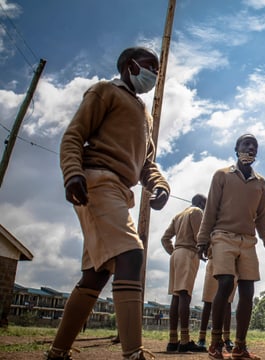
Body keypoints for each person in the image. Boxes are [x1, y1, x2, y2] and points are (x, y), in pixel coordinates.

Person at [49, 46, 170, 360]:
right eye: (150, 67)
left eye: (158, 70)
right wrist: (72, 173)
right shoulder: (104, 92)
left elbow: (147, 163)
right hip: (98, 181)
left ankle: (57, 351)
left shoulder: (144, 112)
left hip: (120, 191)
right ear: (130, 66)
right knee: (131, 254)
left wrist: (159, 186)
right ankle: (133, 353)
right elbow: (74, 135)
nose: (154, 74)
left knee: (96, 273)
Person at [196, 133, 265, 360]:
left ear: (257, 152)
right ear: (236, 148)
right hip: (222, 236)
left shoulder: (260, 183)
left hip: (247, 240)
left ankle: (240, 347)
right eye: (246, 143)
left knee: (248, 291)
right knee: (224, 283)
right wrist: (203, 239)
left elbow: (262, 218)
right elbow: (211, 208)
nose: (250, 147)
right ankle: (215, 343)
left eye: (254, 145)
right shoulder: (222, 175)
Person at [161, 194, 208, 353]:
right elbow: (199, 236)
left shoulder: (178, 215)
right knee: (184, 295)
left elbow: (165, 238)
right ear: (201, 203)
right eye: (206, 205)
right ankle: (185, 341)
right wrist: (205, 251)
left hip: (176, 255)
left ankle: (173, 341)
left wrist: (174, 252)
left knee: (176, 295)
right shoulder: (196, 212)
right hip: (188, 253)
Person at [197, 247, 237, 354]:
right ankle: (202, 338)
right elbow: (205, 236)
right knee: (208, 300)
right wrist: (205, 248)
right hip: (214, 260)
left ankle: (226, 339)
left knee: (228, 302)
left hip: (231, 262)